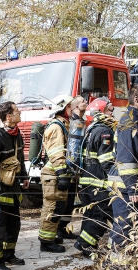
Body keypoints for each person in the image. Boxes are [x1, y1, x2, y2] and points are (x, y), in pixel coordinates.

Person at [0, 101, 30, 270]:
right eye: (17, 111)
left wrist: (24, 177)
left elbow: (19, 159)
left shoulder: (17, 135)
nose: (20, 113)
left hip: (14, 189)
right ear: (8, 116)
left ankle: (9, 254)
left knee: (14, 225)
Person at [106, 84, 138, 257]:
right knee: (124, 226)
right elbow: (126, 157)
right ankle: (118, 267)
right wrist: (133, 187)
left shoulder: (137, 119)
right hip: (124, 184)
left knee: (129, 224)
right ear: (136, 99)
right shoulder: (130, 121)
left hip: (126, 183)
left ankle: (118, 262)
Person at [74, 97, 116, 256]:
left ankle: (82, 244)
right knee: (101, 215)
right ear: (101, 112)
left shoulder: (91, 128)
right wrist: (117, 179)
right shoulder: (104, 131)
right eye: (109, 109)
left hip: (87, 182)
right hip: (97, 184)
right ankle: (86, 245)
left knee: (91, 214)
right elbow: (106, 161)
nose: (112, 113)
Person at [37, 95, 74, 253]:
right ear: (63, 108)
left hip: (56, 173)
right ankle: (46, 242)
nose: (72, 110)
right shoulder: (56, 127)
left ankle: (51, 237)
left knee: (58, 206)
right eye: (70, 107)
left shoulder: (63, 125)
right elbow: (56, 153)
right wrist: (62, 173)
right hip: (53, 174)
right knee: (52, 207)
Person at [57, 96, 88, 240]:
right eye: (82, 102)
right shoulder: (74, 123)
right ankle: (59, 230)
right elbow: (72, 148)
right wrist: (70, 170)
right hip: (70, 168)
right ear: (75, 107)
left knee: (70, 202)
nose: (86, 103)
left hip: (76, 169)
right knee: (65, 202)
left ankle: (63, 229)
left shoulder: (80, 122)